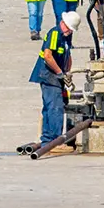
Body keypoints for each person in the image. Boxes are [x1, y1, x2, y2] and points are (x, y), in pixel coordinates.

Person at [28, 11, 80, 148]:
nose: (69, 32)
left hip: (56, 76)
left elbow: (67, 55)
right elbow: (47, 56)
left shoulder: (66, 36)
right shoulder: (55, 33)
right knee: (54, 108)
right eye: (68, 28)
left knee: (50, 107)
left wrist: (67, 72)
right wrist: (59, 72)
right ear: (63, 23)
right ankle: (54, 141)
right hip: (48, 75)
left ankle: (47, 140)